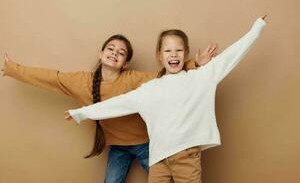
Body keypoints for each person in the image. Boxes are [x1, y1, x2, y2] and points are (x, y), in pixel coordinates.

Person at [66, 16, 267, 183]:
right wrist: (81, 112)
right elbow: (117, 104)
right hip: (158, 160)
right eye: (168, 51)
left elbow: (231, 56)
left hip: (186, 157)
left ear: (186, 54)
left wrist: (256, 29)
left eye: (179, 50)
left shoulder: (201, 77)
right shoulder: (149, 89)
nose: (174, 55)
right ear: (159, 56)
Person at [2, 34, 216, 183]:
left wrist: (193, 64)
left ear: (125, 64)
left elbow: (166, 75)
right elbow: (52, 78)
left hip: (146, 144)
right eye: (110, 49)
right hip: (118, 148)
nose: (114, 53)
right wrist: (13, 69)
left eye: (121, 52)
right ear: (100, 53)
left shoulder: (134, 79)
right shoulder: (82, 81)